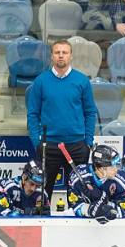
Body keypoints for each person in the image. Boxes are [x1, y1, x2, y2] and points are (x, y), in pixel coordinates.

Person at [26, 39, 97, 202]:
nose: (61, 56)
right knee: (43, 194)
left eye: (64, 52)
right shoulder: (41, 81)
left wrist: (88, 142)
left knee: (77, 194)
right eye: (57, 52)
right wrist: (37, 141)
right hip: (48, 146)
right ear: (51, 56)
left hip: (77, 146)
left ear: (71, 56)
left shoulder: (82, 81)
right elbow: (32, 114)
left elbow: (90, 112)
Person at [67, 145, 125, 224]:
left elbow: (124, 206)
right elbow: (74, 207)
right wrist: (89, 209)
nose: (116, 169)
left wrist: (107, 209)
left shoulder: (122, 180)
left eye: (116, 164)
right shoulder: (78, 177)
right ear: (100, 168)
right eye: (112, 166)